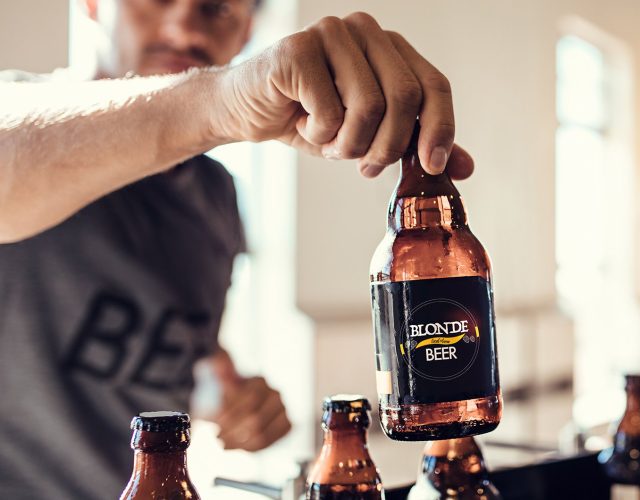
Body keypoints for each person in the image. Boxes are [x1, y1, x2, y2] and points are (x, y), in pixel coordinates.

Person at [0, 0, 475, 498]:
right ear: (93, 4)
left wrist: (226, 398)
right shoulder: (20, 111)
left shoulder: (214, 195)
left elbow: (184, 352)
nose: (185, 29)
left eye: (217, 8)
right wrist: (220, 103)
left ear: (246, 30)